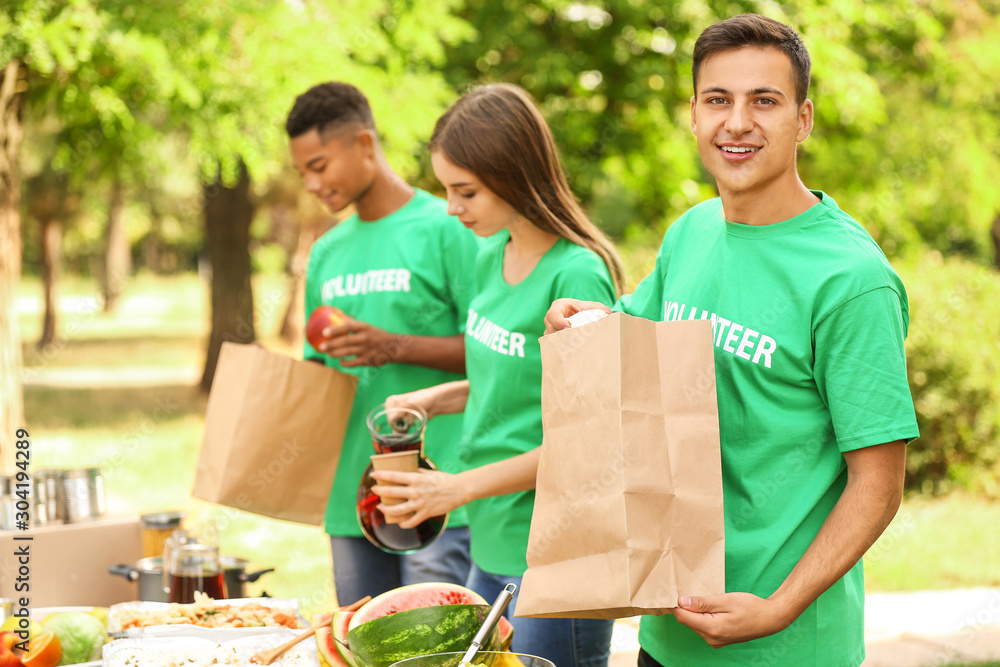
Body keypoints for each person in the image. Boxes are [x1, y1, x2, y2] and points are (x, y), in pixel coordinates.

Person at [545, 14, 919, 667]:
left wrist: (780, 606)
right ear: (693, 114)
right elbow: (642, 347)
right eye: (719, 99)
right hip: (668, 626)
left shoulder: (851, 279)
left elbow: (878, 485)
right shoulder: (691, 231)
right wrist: (585, 320)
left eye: (764, 101)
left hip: (788, 644)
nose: (737, 122)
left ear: (803, 119)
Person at [370, 83, 626, 667]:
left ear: (516, 177)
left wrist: (455, 487)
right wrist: (434, 398)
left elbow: (589, 441)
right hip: (491, 535)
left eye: (467, 191)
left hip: (557, 552)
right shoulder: (491, 253)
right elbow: (506, 381)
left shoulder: (577, 277)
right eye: (445, 190)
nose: (451, 207)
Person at [286, 82, 479, 606]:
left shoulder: (449, 227)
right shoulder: (326, 253)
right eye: (302, 171)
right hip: (350, 494)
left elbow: (491, 352)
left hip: (433, 487)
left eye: (319, 165)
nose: (310, 183)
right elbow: (319, 373)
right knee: (360, 644)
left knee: (431, 651)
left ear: (364, 145)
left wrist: (393, 346)